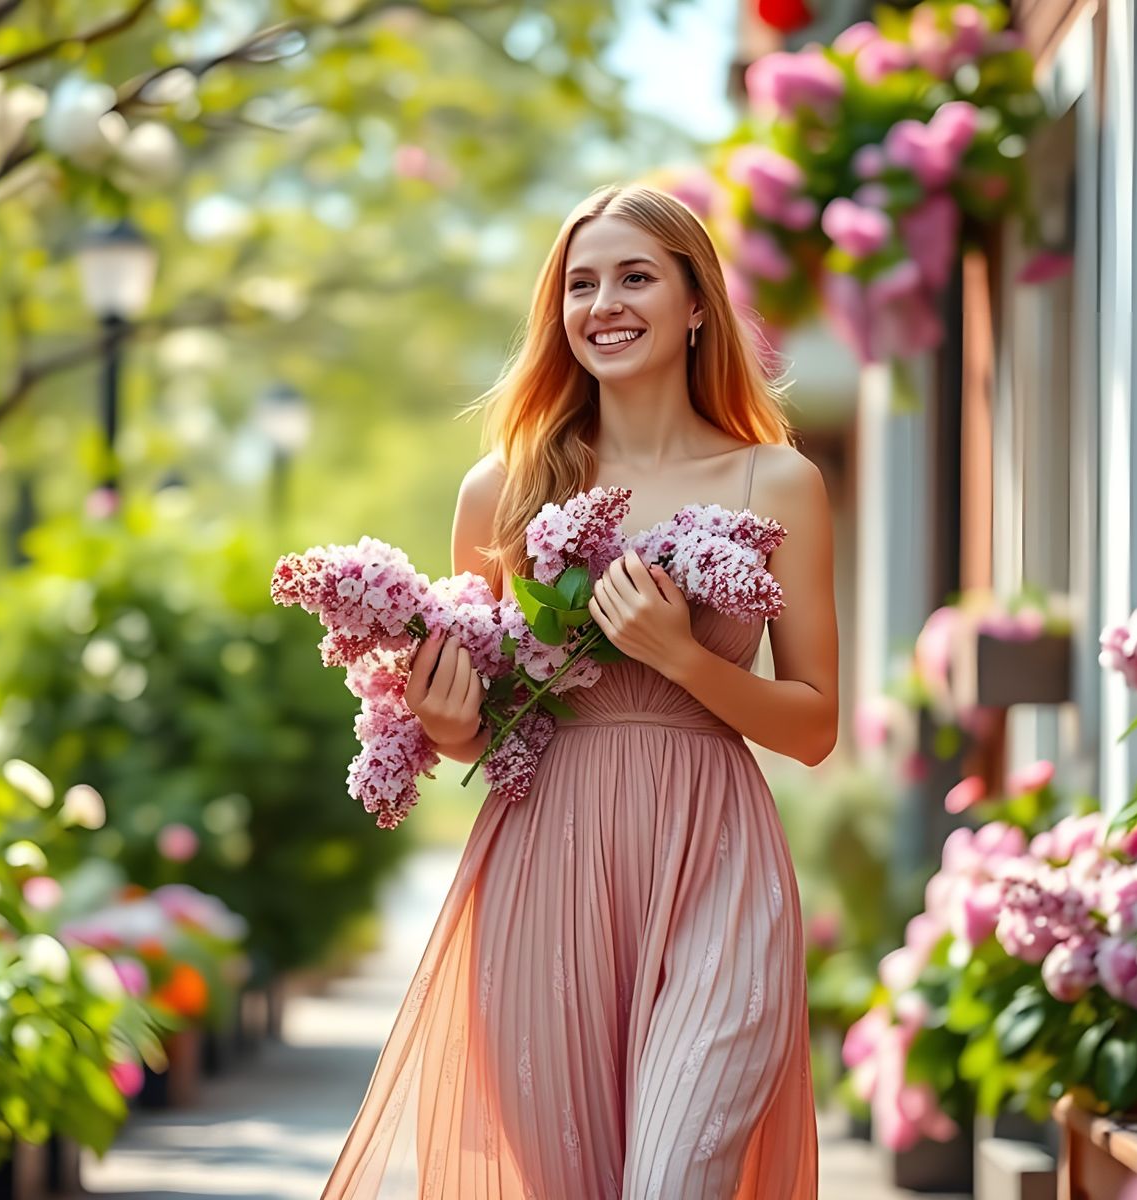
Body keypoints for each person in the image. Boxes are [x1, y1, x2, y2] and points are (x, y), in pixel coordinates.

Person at [321, 182, 837, 1198]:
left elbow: (815, 724)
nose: (603, 302)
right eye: (580, 283)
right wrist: (447, 723)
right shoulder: (502, 491)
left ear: (697, 304)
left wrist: (682, 656)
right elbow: (479, 728)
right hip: (544, 864)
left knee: (676, 1178)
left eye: (634, 277)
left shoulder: (773, 483)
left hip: (714, 864)